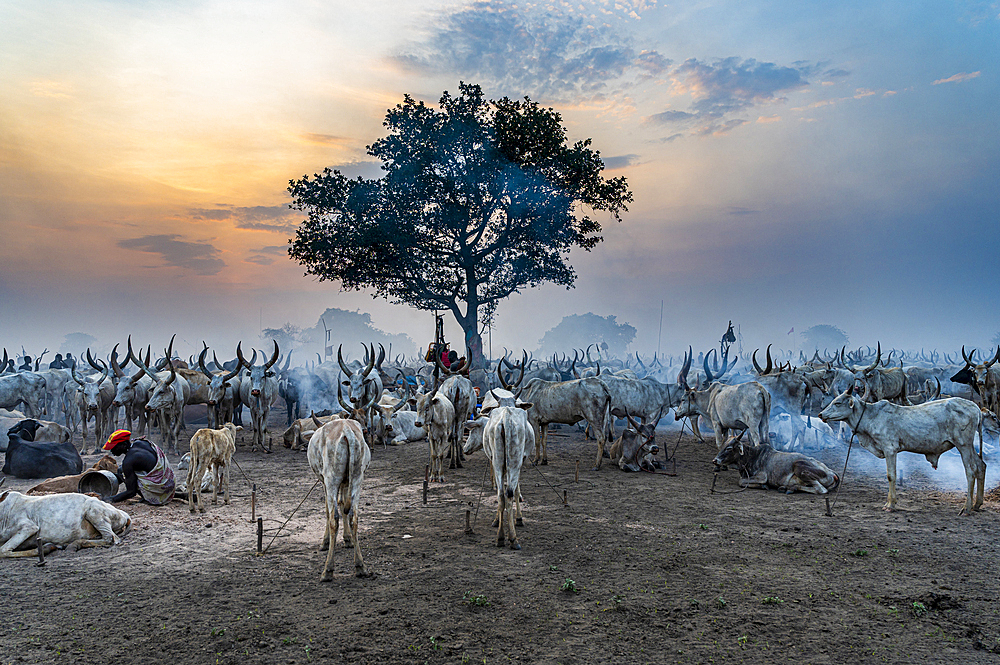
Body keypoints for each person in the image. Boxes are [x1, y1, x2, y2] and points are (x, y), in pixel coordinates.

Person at [103, 430, 176, 505]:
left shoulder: (129, 460)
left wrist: (110, 499)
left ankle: (149, 498)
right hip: (169, 482)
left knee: (124, 472)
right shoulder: (140, 443)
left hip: (161, 490)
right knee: (122, 470)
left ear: (124, 445)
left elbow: (131, 492)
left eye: (114, 447)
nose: (111, 450)